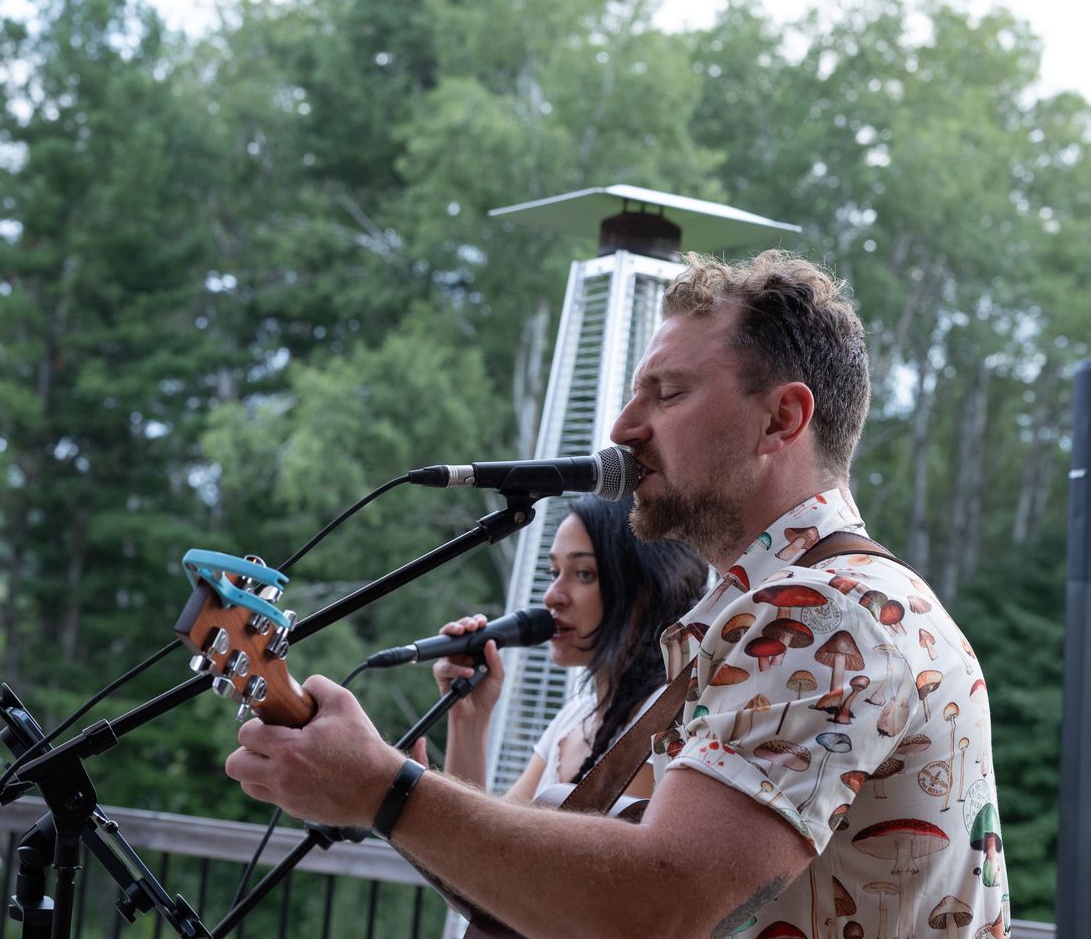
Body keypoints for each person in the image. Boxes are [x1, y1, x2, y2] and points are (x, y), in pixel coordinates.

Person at [227, 251, 1007, 938]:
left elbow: (658, 907)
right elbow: (580, 899)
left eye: (667, 394)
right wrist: (386, 793)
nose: (623, 427)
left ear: (781, 419)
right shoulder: (777, 611)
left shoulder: (826, 613)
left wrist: (384, 790)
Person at [430, 494, 707, 806]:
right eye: (554, 573)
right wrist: (469, 719)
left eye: (583, 574)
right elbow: (477, 834)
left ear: (644, 592)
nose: (551, 596)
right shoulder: (572, 720)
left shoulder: (665, 717)